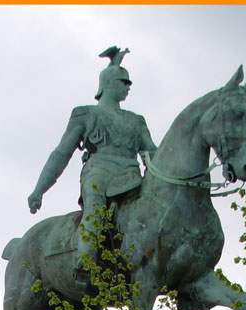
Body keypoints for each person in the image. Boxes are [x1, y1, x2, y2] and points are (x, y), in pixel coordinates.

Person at [27, 47, 157, 288]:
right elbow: (61, 154)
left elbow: (152, 154)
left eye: (129, 83)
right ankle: (84, 260)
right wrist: (39, 190)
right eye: (123, 82)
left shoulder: (136, 121)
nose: (128, 87)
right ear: (107, 83)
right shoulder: (85, 114)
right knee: (95, 205)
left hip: (131, 175)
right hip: (99, 171)